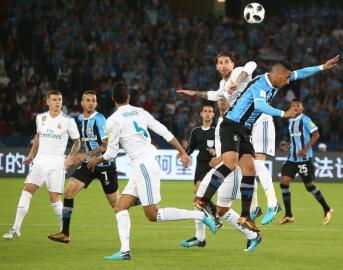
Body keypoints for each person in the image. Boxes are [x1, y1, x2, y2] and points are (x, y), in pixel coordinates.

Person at [178, 52, 340, 226]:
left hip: (245, 130)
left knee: (250, 170)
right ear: (278, 75)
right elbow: (260, 105)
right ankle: (203, 200)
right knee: (230, 164)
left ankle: (246, 215)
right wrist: (283, 113)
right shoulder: (260, 85)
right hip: (231, 125)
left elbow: (301, 73)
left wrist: (322, 67)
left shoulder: (278, 79)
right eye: (286, 79)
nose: (287, 83)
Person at [87, 82, 216, 260]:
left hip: (143, 168)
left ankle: (199, 215)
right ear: (129, 97)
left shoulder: (112, 120)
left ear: (112, 99)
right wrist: (182, 152)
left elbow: (112, 152)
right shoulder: (140, 112)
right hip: (142, 167)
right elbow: (164, 131)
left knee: (153, 215)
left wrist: (98, 159)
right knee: (120, 207)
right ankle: (125, 251)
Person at [181, 94, 261, 252]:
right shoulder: (219, 123)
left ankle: (252, 235)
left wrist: (219, 159)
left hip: (231, 170)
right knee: (198, 197)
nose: (223, 100)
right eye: (221, 98)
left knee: (222, 210)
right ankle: (200, 238)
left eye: (227, 98)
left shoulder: (238, 121)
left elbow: (240, 150)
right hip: (218, 168)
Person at [3, 90, 80, 240]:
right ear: (47, 101)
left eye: (60, 99)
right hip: (40, 162)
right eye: (54, 99)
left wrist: (70, 158)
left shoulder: (68, 121)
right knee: (27, 190)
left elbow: (77, 142)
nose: (57, 102)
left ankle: (64, 231)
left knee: (54, 198)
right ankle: (15, 229)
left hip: (57, 164)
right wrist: (31, 155)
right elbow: (38, 136)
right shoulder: (40, 118)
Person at [47, 90, 120, 243]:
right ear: (82, 103)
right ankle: (65, 233)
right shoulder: (79, 120)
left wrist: (85, 155)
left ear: (96, 103)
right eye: (88, 100)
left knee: (117, 206)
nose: (91, 103)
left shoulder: (100, 120)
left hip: (104, 165)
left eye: (93, 100)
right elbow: (77, 140)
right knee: (68, 191)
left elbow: (106, 145)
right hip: (88, 165)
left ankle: (134, 200)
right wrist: (71, 157)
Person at [278, 99, 333, 225]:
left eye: (298, 106)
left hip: (304, 160)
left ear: (302, 109)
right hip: (291, 159)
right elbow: (295, 139)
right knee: (284, 183)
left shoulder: (305, 119)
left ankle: (327, 209)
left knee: (309, 186)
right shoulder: (290, 121)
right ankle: (288, 215)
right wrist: (288, 145)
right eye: (293, 106)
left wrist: (305, 149)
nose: (295, 108)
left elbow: (316, 134)